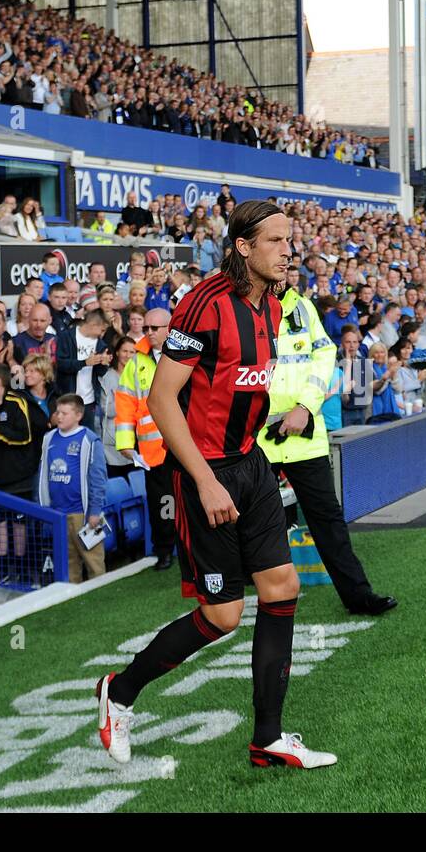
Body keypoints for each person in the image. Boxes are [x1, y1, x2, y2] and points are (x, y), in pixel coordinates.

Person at [97, 200, 336, 771]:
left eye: (289, 241)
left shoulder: (274, 304)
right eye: (275, 242)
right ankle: (120, 692)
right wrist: (204, 482)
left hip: (251, 463)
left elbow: (247, 384)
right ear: (243, 247)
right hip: (204, 473)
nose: (287, 251)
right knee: (224, 615)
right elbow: (160, 400)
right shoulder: (204, 303)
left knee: (281, 588)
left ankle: (268, 739)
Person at [257, 284, 396, 615]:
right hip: (258, 438)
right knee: (255, 523)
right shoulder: (237, 305)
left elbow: (323, 360)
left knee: (329, 522)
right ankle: (243, 595)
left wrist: (303, 407)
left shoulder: (303, 307)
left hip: (305, 435)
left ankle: (358, 595)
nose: (283, 264)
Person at [0, 363, 49, 583]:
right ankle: (2, 568)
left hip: (19, 474)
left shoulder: (17, 402)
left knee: (19, 523)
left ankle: (22, 569)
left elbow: (24, 437)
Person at [114, 308, 177, 570]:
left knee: (188, 502)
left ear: (169, 328)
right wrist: (126, 445)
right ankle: (165, 551)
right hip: (153, 450)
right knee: (162, 505)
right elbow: (125, 403)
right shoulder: (136, 361)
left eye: (155, 328)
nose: (148, 332)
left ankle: (189, 550)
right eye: (146, 328)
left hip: (185, 443)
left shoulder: (183, 353)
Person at [37, 394, 108, 582]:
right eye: (57, 412)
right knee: (67, 566)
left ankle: (102, 601)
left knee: (94, 563)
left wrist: (94, 511)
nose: (59, 416)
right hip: (58, 514)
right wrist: (45, 508)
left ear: (78, 415)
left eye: (64, 413)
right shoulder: (49, 439)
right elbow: (43, 475)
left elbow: (98, 479)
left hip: (82, 514)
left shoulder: (89, 440)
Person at [55, 308, 113, 430]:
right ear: (93, 325)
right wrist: (84, 363)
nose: (102, 334)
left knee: (87, 436)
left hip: (89, 401)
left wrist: (104, 363)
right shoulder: (67, 336)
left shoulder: (100, 345)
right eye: (102, 330)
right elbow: (61, 364)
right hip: (68, 397)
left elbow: (99, 373)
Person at [99, 336, 137, 477]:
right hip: (113, 443)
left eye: (132, 352)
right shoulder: (108, 377)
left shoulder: (139, 378)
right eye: (124, 351)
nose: (127, 355)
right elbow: (107, 410)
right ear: (117, 353)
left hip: (136, 441)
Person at [338, 326, 375, 426]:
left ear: (358, 344)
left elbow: (371, 386)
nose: (351, 346)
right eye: (348, 342)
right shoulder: (336, 362)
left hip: (363, 411)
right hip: (344, 412)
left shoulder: (364, 361)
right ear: (342, 344)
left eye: (354, 342)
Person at [22, 354, 58, 422]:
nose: (26, 375)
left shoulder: (55, 394)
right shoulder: (21, 397)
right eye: (25, 371)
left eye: (32, 371)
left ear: (44, 374)